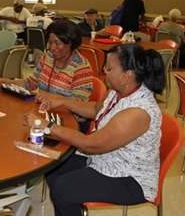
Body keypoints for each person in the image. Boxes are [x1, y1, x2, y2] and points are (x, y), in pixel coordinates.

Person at [23, 43, 165, 216]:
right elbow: (97, 109)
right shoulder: (119, 90)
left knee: (62, 188)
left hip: (130, 177)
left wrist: (47, 127)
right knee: (53, 165)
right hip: (106, 159)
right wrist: (61, 101)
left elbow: (89, 145)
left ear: (127, 75)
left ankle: (68, 200)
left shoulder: (138, 112)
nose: (105, 72)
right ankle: (71, 205)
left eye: (110, 69)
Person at [0, 19, 93, 133]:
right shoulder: (48, 57)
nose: (52, 47)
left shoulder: (81, 67)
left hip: (71, 121)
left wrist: (53, 97)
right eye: (50, 42)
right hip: (46, 114)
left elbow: (80, 104)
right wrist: (4, 82)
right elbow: (31, 83)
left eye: (57, 43)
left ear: (71, 43)